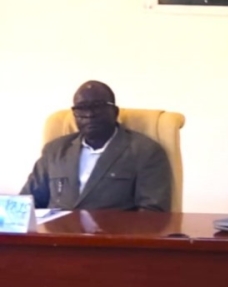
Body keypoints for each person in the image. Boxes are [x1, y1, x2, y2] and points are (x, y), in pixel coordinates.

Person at [21, 81, 172, 211]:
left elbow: (152, 213)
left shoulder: (145, 151)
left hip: (111, 235)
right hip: (55, 234)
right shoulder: (55, 150)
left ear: (115, 112)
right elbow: (26, 203)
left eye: (97, 106)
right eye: (81, 108)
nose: (89, 115)